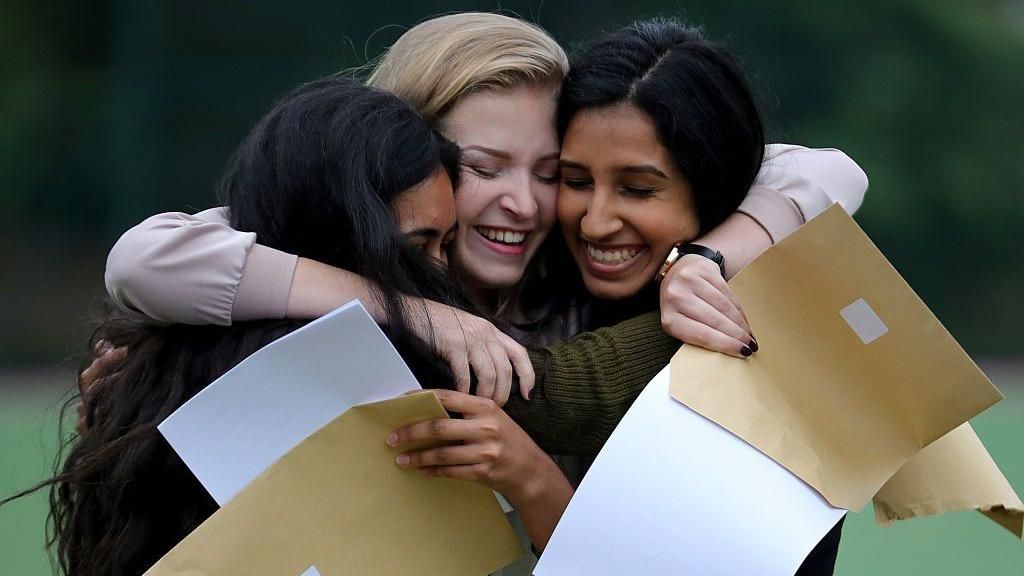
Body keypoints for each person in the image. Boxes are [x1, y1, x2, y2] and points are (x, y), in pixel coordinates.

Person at [2, 77, 577, 576]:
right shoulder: (278, 320)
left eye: (553, 173)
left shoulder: (572, 311)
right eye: (485, 165)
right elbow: (142, 259)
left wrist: (531, 475)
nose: (523, 203)